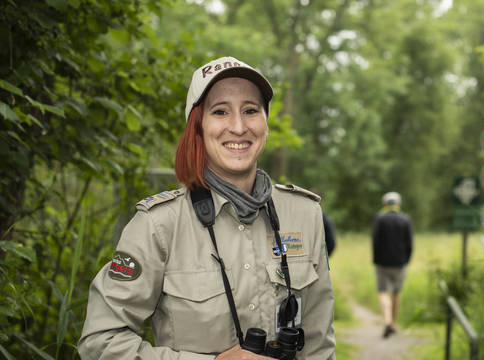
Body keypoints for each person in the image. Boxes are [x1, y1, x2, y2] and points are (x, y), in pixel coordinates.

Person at [78, 56, 335, 359]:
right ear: (198, 126)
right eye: (220, 111)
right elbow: (100, 342)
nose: (238, 127)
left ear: (265, 123)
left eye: (251, 110)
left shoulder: (304, 214)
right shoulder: (159, 225)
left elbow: (318, 344)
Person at [371, 192, 413, 338]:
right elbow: (409, 243)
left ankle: (387, 321)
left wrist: (375, 259)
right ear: (399, 204)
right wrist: (406, 260)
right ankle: (393, 324)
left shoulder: (380, 219)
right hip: (400, 263)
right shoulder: (405, 220)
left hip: (382, 263)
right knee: (396, 293)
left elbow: (375, 241)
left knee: (383, 292)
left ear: (385, 204)